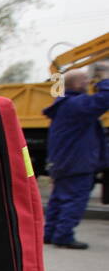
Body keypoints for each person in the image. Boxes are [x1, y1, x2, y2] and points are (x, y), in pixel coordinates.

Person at [42, 63, 109, 249]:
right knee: (75, 198)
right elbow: (105, 99)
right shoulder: (76, 105)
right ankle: (63, 235)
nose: (88, 81)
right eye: (84, 79)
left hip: (64, 160)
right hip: (77, 162)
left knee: (59, 198)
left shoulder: (65, 104)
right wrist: (104, 78)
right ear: (75, 84)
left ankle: (50, 233)